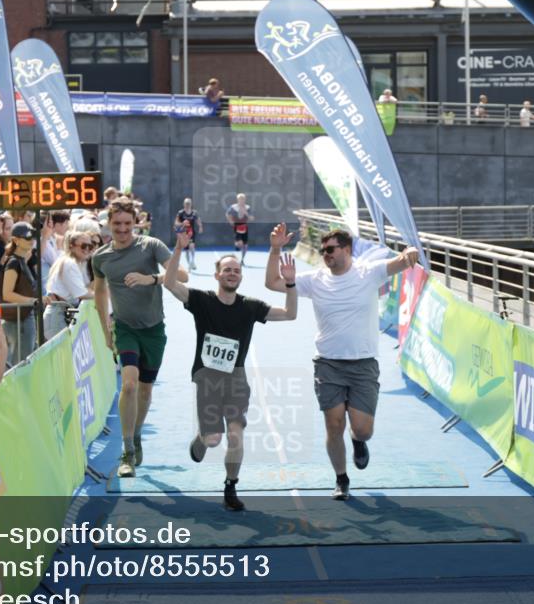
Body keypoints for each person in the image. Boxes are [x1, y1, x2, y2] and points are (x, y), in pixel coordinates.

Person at [266, 224, 418, 500]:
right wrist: (276, 250)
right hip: (328, 364)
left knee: (362, 429)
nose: (326, 254)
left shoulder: (368, 272)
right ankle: (341, 479)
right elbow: (273, 283)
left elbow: (401, 262)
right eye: (323, 250)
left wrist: (410, 251)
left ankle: (359, 442)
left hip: (363, 365)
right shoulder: (315, 279)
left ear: (347, 249)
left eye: (331, 249)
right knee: (333, 425)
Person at [163, 231, 297, 510]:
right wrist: (177, 249)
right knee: (213, 439)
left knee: (235, 434)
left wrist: (291, 283)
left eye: (236, 271)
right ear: (217, 276)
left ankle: (230, 486)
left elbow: (290, 314)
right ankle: (201, 439)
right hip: (207, 375)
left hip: (236, 377)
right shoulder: (202, 300)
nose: (232, 274)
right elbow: (169, 283)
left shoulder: (250, 306)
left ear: (240, 277)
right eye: (227, 270)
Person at [92, 197, 188, 477]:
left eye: (127, 223)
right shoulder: (101, 257)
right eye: (117, 224)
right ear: (109, 224)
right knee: (130, 385)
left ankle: (135, 435)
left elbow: (182, 275)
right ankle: (127, 450)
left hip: (154, 329)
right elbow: (99, 292)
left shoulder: (151, 246)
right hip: (124, 328)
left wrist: (153, 278)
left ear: (135, 223)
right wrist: (104, 327)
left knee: (145, 390)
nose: (122, 229)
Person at [0, 222, 38, 365]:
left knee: (21, 362)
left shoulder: (20, 260)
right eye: (27, 237)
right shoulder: (14, 262)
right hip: (17, 322)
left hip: (22, 319)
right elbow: (7, 294)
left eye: (33, 236)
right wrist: (33, 301)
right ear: (15, 240)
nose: (32, 240)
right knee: (20, 364)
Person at [43, 231, 95, 338]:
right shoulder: (69, 263)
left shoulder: (70, 262)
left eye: (90, 246)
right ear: (71, 246)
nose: (87, 249)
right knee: (61, 354)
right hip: (58, 315)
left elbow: (85, 289)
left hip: (62, 313)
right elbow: (82, 293)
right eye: (84, 246)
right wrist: (104, 295)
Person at [174, 198, 203, 270]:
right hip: (183, 233)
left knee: (192, 246)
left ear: (191, 204)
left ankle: (192, 261)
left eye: (189, 204)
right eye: (186, 204)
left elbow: (198, 220)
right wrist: (182, 223)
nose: (187, 205)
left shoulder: (194, 213)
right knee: (186, 250)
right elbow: (176, 223)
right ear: (184, 204)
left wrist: (200, 226)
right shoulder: (180, 213)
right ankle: (189, 263)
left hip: (191, 233)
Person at [225, 193, 255, 264]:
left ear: (245, 200)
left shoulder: (248, 207)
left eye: (243, 199)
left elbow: (252, 218)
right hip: (237, 225)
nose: (241, 201)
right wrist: (230, 221)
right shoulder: (233, 207)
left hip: (244, 226)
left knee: (245, 245)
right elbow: (227, 214)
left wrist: (246, 213)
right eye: (240, 199)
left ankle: (242, 259)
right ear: (237, 200)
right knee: (239, 243)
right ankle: (237, 244)